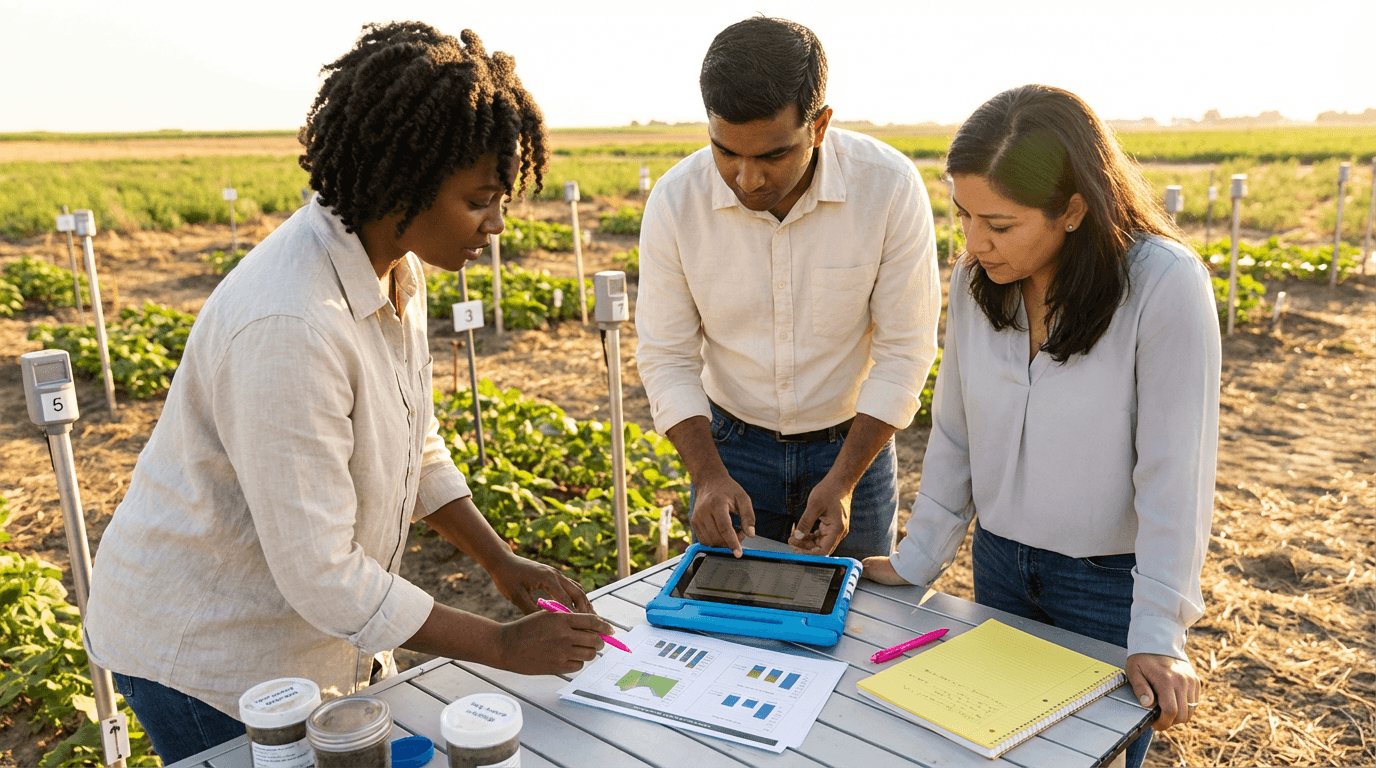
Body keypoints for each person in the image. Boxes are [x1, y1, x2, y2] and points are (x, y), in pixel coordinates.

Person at [82, 22, 616, 763]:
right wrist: (496, 642)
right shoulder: (291, 322)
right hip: (207, 659)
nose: (498, 224)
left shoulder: (394, 264)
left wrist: (500, 561)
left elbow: (414, 445)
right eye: (480, 200)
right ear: (405, 184)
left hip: (297, 634)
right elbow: (324, 574)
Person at [862, 85, 1217, 768]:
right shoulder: (976, 284)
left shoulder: (1162, 283)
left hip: (1109, 582)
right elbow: (957, 436)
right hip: (999, 564)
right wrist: (915, 564)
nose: (973, 243)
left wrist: (1159, 630)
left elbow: (1177, 471)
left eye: (999, 224)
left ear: (1074, 208)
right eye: (963, 215)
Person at [635, 16, 940, 561]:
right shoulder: (675, 201)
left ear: (819, 126)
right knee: (727, 622)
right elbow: (667, 356)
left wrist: (844, 482)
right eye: (726, 151)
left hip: (853, 449)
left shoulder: (888, 188)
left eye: (772, 155)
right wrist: (707, 477)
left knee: (857, 626)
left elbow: (905, 350)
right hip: (728, 450)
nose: (747, 178)